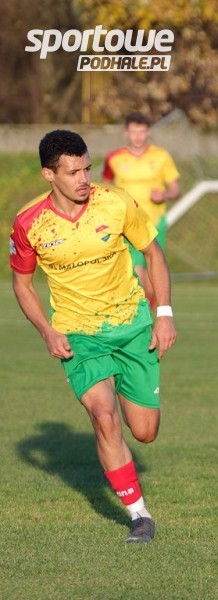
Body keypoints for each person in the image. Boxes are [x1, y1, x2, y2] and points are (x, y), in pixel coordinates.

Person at [10, 129, 177, 543]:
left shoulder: (116, 202)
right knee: (103, 416)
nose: (84, 178)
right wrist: (47, 331)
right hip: (79, 334)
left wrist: (164, 314)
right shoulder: (29, 223)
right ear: (49, 175)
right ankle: (139, 515)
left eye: (86, 168)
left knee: (145, 431)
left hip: (132, 325)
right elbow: (22, 284)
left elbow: (153, 252)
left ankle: (128, 403)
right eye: (73, 172)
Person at [102, 111, 181, 311]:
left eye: (142, 132)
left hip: (155, 222)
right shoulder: (114, 157)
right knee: (136, 272)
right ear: (126, 133)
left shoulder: (161, 156)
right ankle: (140, 314)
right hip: (127, 223)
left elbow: (175, 189)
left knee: (153, 278)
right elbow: (105, 187)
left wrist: (164, 194)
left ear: (148, 133)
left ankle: (149, 313)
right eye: (133, 132)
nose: (138, 136)